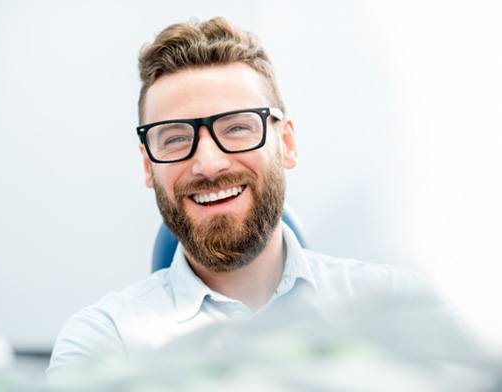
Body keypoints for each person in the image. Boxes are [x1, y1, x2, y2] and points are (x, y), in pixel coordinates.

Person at [46, 17, 436, 379]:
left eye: (236, 128)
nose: (209, 163)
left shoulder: (397, 306)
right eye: (177, 137)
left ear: (286, 143)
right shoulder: (105, 342)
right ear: (149, 166)